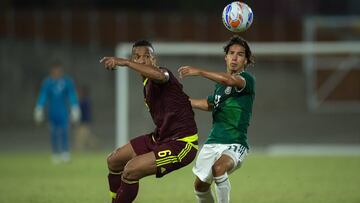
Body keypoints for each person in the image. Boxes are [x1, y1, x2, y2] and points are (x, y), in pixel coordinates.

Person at [100, 40, 198, 203]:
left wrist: (125, 62)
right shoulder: (146, 85)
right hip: (160, 138)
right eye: (137, 57)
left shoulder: (162, 74)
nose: (142, 60)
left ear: (154, 60)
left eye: (147, 56)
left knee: (131, 170)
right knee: (114, 161)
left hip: (182, 144)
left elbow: (160, 75)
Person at [178, 35, 255, 203]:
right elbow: (210, 104)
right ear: (225, 57)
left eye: (240, 54)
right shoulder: (220, 86)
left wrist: (199, 72)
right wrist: (184, 101)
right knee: (200, 186)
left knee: (219, 168)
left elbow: (230, 79)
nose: (235, 57)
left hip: (235, 143)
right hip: (213, 142)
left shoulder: (246, 80)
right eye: (231, 53)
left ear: (246, 61)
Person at [34, 62, 80, 164]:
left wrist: (74, 107)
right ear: (52, 71)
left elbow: (71, 94)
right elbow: (43, 95)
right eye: (54, 71)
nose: (56, 73)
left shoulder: (67, 82)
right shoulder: (48, 82)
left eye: (58, 71)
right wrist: (39, 107)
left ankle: (65, 154)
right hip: (52, 112)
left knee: (64, 132)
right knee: (53, 133)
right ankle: (55, 154)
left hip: (63, 112)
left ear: (61, 71)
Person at [74, 85, 99, 151]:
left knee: (81, 137)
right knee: (87, 136)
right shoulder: (86, 100)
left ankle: (79, 150)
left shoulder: (84, 101)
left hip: (84, 122)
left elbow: (84, 112)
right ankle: (96, 145)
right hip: (85, 122)